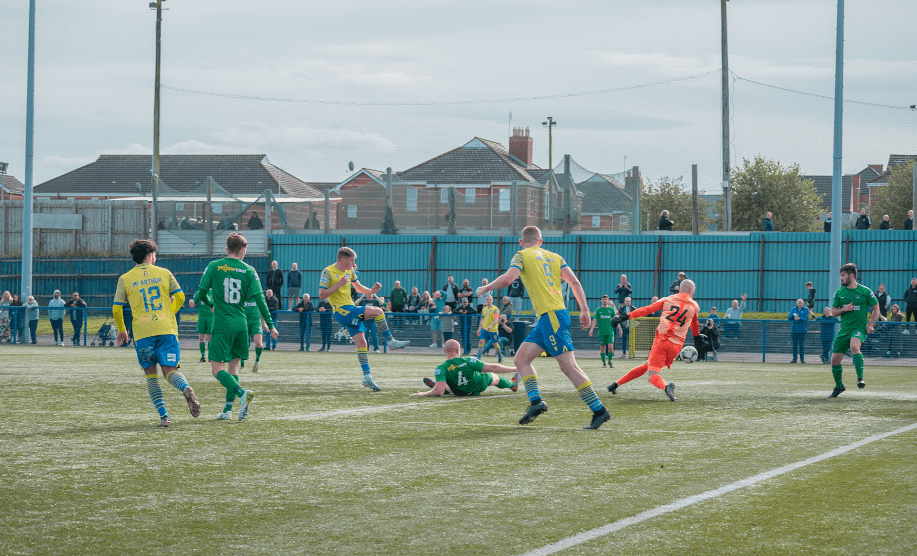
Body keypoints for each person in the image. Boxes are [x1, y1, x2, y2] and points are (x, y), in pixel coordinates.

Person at [476, 225, 611, 430]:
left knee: (569, 366)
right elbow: (574, 282)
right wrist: (584, 310)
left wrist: (486, 287)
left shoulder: (521, 255)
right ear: (541, 241)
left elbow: (508, 279)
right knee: (521, 359)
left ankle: (599, 410)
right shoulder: (555, 257)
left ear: (521, 242)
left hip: (552, 316)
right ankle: (536, 402)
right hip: (550, 317)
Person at [112, 239, 200, 427]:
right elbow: (181, 297)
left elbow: (117, 308)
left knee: (151, 375)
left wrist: (122, 330)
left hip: (143, 332)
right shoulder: (164, 273)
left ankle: (164, 416)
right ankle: (186, 388)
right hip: (166, 329)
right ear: (151, 255)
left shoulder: (125, 278)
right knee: (170, 371)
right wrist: (169, 313)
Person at [194, 232, 278, 420]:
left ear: (226, 249)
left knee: (217, 370)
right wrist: (271, 325)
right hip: (241, 324)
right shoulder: (249, 270)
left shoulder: (214, 266)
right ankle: (227, 410)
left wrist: (211, 303)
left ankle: (242, 393)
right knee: (234, 369)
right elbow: (260, 299)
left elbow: (201, 292)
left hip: (222, 324)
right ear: (243, 251)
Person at [319, 246, 409, 391]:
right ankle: (391, 342)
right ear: (344, 259)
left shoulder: (349, 271)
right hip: (342, 311)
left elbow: (359, 287)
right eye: (352, 260)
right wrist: (339, 284)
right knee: (378, 311)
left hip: (350, 309)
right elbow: (321, 295)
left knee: (362, 343)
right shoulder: (328, 271)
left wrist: (372, 291)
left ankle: (367, 377)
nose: (354, 264)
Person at [607, 279, 701, 402]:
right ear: (690, 290)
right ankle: (616, 384)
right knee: (647, 365)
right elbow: (695, 325)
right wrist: (697, 338)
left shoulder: (668, 299)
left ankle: (666, 387)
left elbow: (647, 310)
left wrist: (623, 317)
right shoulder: (694, 305)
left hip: (662, 341)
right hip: (676, 346)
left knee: (652, 376)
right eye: (694, 290)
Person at [826, 263, 880, 397]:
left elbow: (876, 308)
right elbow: (833, 312)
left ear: (851, 275)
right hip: (844, 330)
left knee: (854, 346)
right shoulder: (839, 292)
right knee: (835, 361)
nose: (841, 278)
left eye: (843, 275)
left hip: (859, 328)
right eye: (840, 275)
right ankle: (839, 387)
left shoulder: (865, 291)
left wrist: (870, 325)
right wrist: (844, 309)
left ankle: (860, 378)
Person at [412, 339, 519, 397]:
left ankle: (440, 386)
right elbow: (492, 367)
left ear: (444, 350)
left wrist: (421, 394)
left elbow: (439, 392)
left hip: (460, 392)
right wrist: (515, 369)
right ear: (458, 350)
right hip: (479, 384)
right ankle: (512, 384)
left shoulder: (441, 368)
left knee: (448, 384)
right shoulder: (468, 360)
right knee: (495, 378)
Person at [588, 294, 621, 368]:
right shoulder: (598, 310)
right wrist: (591, 329)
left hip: (610, 332)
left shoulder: (611, 309)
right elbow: (595, 320)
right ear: (601, 300)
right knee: (602, 348)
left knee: (611, 348)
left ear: (608, 300)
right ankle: (604, 363)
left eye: (606, 299)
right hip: (602, 332)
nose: (605, 301)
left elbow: (616, 320)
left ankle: (609, 361)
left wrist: (620, 329)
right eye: (603, 299)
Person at [244, 290, 270, 371]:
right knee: (244, 344)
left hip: (256, 322)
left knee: (259, 344)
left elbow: (262, 310)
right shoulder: (242, 293)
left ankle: (257, 361)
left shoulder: (257, 295)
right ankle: (242, 364)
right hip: (244, 321)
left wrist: (264, 323)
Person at [188, 287, 213, 363]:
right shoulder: (199, 293)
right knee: (201, 337)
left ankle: (210, 356)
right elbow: (192, 305)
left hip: (211, 317)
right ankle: (203, 357)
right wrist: (191, 302)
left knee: (210, 338)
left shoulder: (213, 292)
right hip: (202, 317)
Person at [475, 294, 502, 362]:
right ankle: (478, 357)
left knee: (495, 344)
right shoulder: (484, 309)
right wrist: (479, 329)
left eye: (490, 299)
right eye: (487, 299)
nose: (489, 300)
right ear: (485, 301)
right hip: (484, 329)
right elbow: (482, 319)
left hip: (493, 330)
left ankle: (500, 357)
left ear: (492, 300)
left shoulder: (495, 309)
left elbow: (496, 319)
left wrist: (491, 326)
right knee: (481, 341)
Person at [788, 299, 809, 363]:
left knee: (801, 345)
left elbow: (806, 318)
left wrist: (800, 318)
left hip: (802, 330)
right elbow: (789, 318)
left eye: (801, 303)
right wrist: (793, 316)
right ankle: (794, 359)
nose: (800, 304)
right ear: (797, 304)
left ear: (803, 304)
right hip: (794, 330)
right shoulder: (793, 309)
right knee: (794, 345)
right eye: (799, 303)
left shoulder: (805, 309)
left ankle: (802, 359)